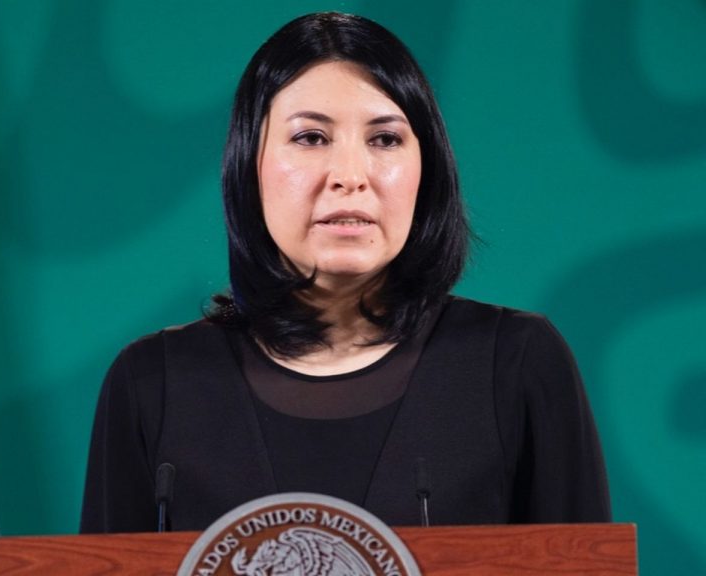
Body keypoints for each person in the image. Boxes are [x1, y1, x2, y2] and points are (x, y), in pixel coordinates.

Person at [80, 12, 610, 533]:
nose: (350, 176)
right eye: (311, 137)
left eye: (385, 139)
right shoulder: (152, 384)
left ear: (427, 168)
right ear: (249, 164)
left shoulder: (516, 363)